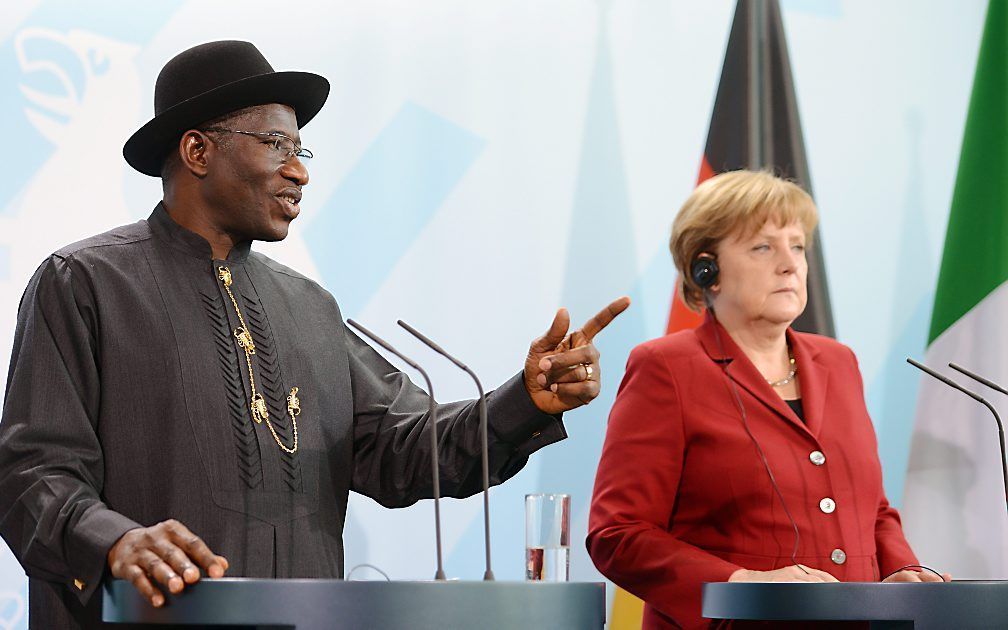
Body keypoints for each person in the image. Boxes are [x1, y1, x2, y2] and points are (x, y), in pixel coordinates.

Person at [0, 40, 630, 629]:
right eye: (277, 144)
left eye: (302, 150)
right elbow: (33, 473)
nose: (299, 171)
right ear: (197, 152)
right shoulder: (84, 283)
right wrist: (114, 540)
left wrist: (524, 399)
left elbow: (405, 451)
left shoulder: (308, 306)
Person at [586, 170, 945, 630]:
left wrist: (901, 569)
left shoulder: (839, 363)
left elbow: (870, 509)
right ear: (706, 271)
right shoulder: (667, 368)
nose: (790, 264)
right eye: (763, 247)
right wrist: (740, 584)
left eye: (797, 246)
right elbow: (618, 534)